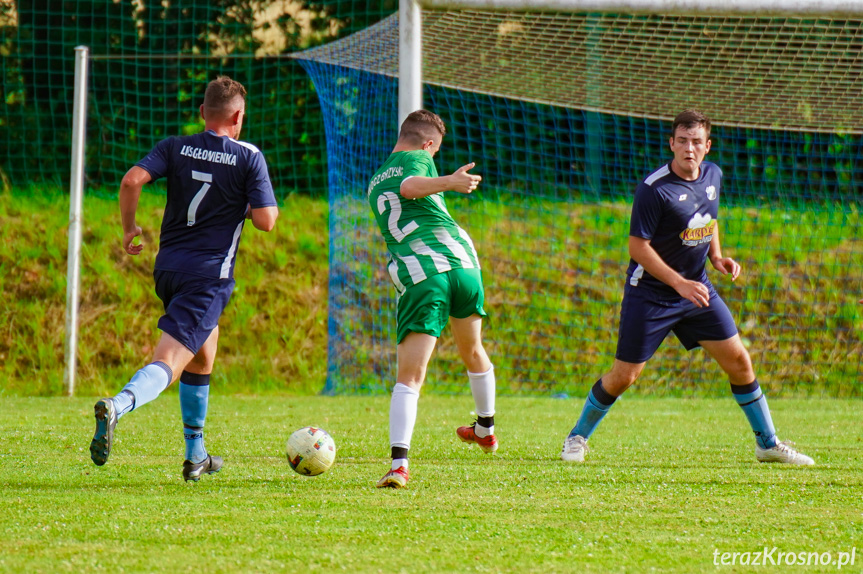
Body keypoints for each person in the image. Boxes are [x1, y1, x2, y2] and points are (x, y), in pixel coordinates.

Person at [561, 109, 814, 466]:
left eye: (696, 142)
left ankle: (767, 443)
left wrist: (717, 257)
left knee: (740, 361)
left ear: (707, 146)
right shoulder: (654, 189)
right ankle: (576, 437)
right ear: (672, 144)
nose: (689, 149)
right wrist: (678, 283)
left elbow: (709, 218)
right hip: (650, 294)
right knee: (625, 376)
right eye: (682, 141)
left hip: (696, 289)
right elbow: (638, 248)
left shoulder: (713, 174)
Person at [89, 76, 279, 481]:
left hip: (169, 269)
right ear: (239, 116)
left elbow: (131, 180)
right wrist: (240, 205)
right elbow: (266, 221)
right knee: (171, 360)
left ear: (202, 114)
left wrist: (129, 229)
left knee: (203, 353)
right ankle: (118, 405)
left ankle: (197, 455)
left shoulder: (175, 146)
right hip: (208, 275)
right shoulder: (248, 156)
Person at [367, 109, 497, 489]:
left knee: (410, 376)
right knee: (473, 350)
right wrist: (451, 181)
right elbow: (410, 186)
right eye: (434, 151)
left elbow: (403, 189)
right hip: (464, 265)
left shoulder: (375, 179)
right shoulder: (416, 158)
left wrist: (444, 182)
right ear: (428, 144)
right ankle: (486, 428)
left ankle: (399, 466)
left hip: (424, 274)